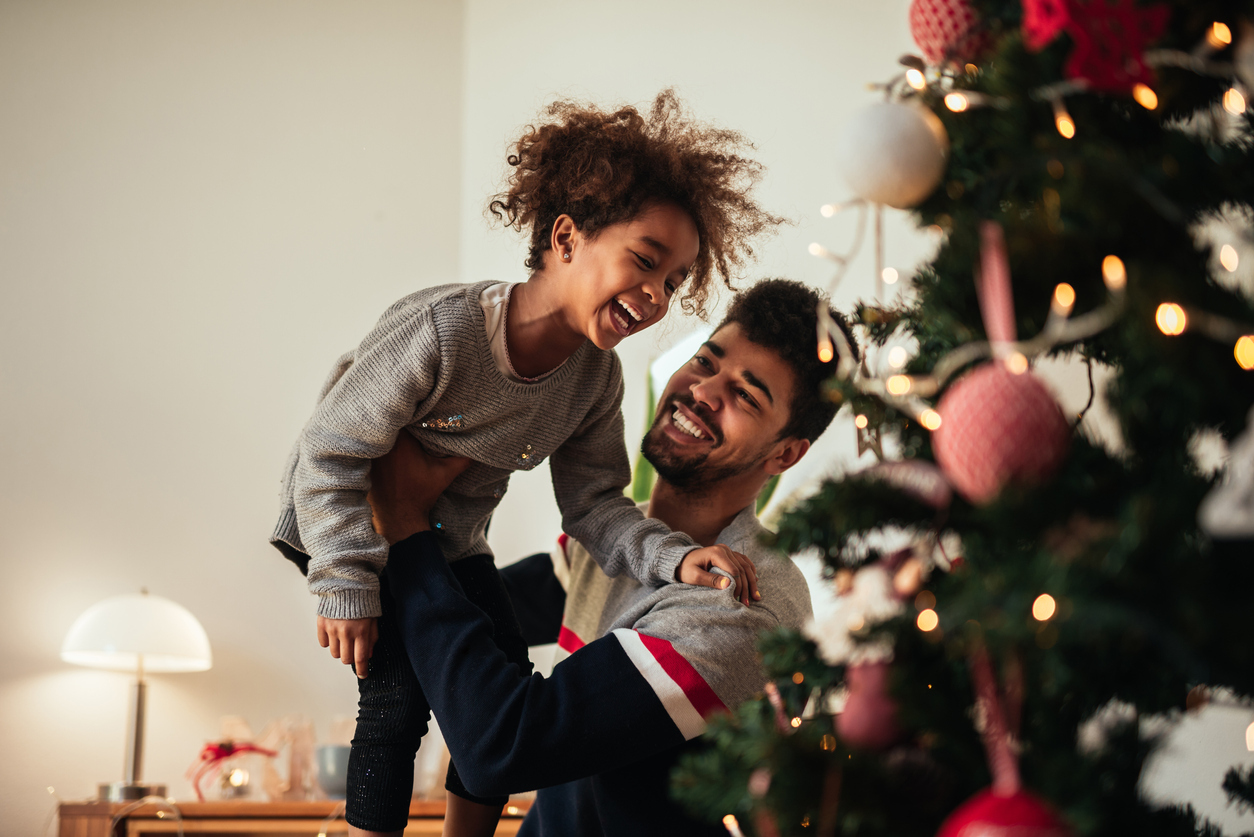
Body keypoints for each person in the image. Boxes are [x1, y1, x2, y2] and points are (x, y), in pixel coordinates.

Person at [269, 91, 781, 837]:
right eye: (644, 261)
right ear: (566, 237)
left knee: (504, 674)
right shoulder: (445, 333)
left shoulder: (593, 381)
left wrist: (675, 561)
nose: (656, 295)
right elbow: (331, 450)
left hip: (448, 540)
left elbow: (598, 506)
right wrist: (344, 576)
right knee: (399, 700)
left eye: (674, 281)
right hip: (343, 517)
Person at [368, 279, 857, 836]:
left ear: (785, 453)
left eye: (746, 395)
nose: (703, 392)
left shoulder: (740, 601)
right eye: (705, 361)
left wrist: (406, 523)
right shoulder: (616, 542)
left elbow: (503, 746)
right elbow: (461, 624)